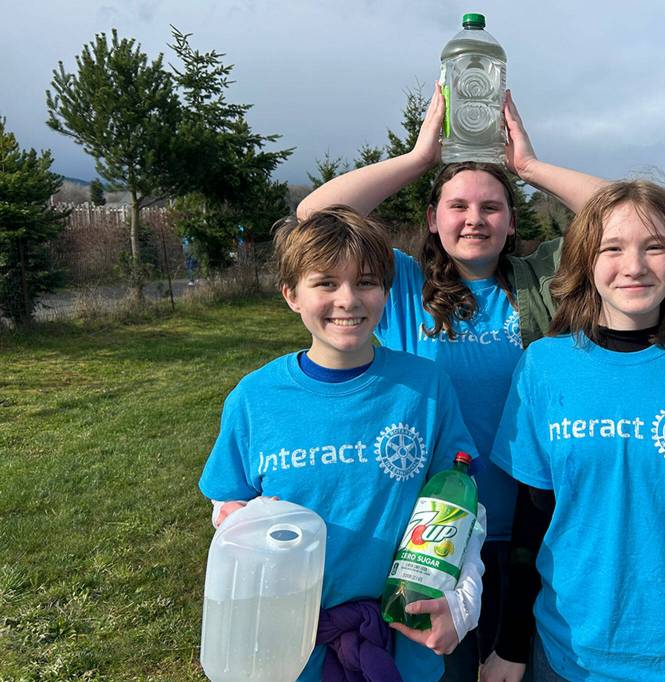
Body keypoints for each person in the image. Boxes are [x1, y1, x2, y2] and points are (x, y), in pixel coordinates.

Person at [297, 85, 607, 681]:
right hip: (432, 537)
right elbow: (316, 218)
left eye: (491, 207)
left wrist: (528, 166)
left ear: (510, 222)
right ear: (433, 220)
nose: (474, 219)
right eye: (457, 206)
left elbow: (626, 214)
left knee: (518, 667)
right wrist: (420, 159)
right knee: (448, 672)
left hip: (534, 525)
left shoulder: (544, 281)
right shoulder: (401, 285)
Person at [481, 181, 665, 681]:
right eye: (611, 248)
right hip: (567, 656)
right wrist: (510, 644)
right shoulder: (544, 367)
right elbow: (532, 519)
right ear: (584, 262)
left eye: (654, 247)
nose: (633, 266)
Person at [198, 206, 486, 682]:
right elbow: (227, 502)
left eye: (366, 282)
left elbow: (461, 504)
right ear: (292, 295)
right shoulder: (255, 398)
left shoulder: (425, 388)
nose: (348, 299)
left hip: (400, 634)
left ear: (386, 292)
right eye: (326, 283)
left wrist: (465, 598)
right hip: (289, 646)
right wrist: (237, 517)